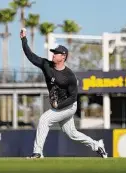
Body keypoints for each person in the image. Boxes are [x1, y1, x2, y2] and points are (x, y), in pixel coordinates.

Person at [20, 28, 108, 159]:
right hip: (60, 106)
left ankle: (37, 152)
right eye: (53, 53)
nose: (53, 55)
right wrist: (23, 39)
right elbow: (31, 56)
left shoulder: (69, 76)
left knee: (44, 119)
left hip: (69, 106)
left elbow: (73, 97)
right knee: (72, 133)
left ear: (63, 56)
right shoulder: (46, 65)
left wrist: (58, 106)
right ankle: (97, 146)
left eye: (56, 53)